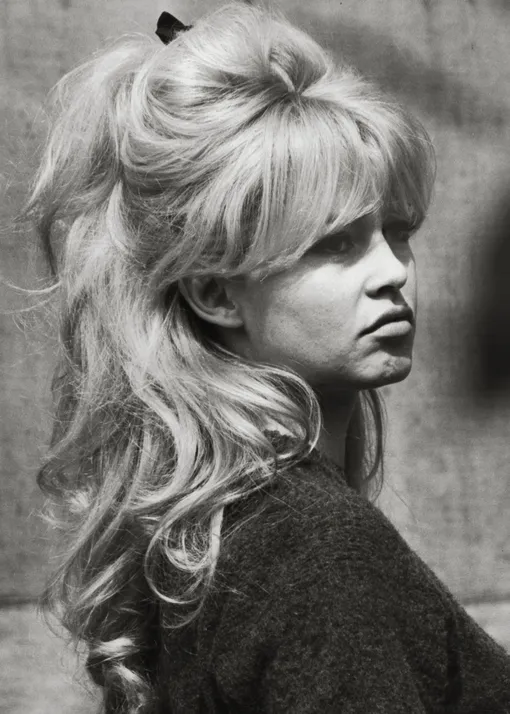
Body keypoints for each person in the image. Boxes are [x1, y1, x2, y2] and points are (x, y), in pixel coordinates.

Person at [24, 2, 510, 712]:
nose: (393, 273)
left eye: (398, 232)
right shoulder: (317, 551)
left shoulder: (218, 537)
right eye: (335, 243)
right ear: (215, 292)